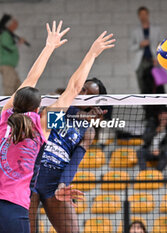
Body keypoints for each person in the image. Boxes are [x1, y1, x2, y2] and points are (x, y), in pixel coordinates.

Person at [0, 20, 70, 233]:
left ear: (16, 102)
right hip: (11, 208)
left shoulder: (4, 117)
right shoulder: (43, 127)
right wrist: (92, 53)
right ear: (37, 109)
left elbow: (30, 79)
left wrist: (49, 47)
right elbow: (73, 90)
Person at [30, 47, 115, 233]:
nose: (82, 94)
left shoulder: (88, 131)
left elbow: (73, 163)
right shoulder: (61, 106)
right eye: (82, 89)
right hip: (32, 175)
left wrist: (63, 184)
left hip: (55, 182)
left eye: (89, 94)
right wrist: (83, 116)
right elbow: (55, 114)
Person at [130, 6, 163, 94]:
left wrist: (158, 58)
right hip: (141, 62)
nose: (143, 16)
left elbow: (162, 45)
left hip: (153, 61)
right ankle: (146, 107)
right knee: (144, 87)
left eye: (144, 14)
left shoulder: (156, 30)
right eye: (141, 14)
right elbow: (131, 47)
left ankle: (159, 107)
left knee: (157, 86)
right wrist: (140, 44)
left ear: (148, 15)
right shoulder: (135, 31)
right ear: (138, 16)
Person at [0, 14, 28, 96]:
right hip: (7, 67)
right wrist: (19, 43)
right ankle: (7, 108)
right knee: (9, 90)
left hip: (11, 67)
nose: (16, 25)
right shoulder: (5, 35)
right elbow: (9, 47)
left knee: (18, 88)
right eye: (14, 23)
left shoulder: (9, 34)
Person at [137, 107, 167, 172]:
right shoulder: (152, 124)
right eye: (163, 116)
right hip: (149, 151)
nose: (165, 119)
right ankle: (143, 173)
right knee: (140, 152)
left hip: (161, 152)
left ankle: (157, 173)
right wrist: (156, 131)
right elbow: (145, 138)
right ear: (159, 116)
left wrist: (160, 150)